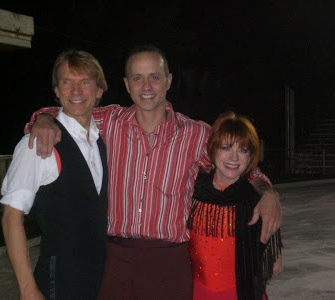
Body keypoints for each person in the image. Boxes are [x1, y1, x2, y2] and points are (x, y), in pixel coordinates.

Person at [25, 45, 281, 299]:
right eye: (138, 78)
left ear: (168, 81)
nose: (146, 87)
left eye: (154, 77)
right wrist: (44, 119)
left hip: (168, 261)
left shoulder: (194, 134)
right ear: (127, 84)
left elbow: (242, 165)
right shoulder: (108, 122)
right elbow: (69, 111)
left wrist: (268, 192)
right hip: (113, 258)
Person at [1, 49, 109, 299]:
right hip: (58, 282)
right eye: (67, 82)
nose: (76, 91)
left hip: (96, 279)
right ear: (57, 90)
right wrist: (28, 290)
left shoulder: (100, 141)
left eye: (85, 82)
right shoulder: (38, 144)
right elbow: (10, 218)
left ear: (99, 90)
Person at [188, 112, 283, 300]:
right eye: (226, 148)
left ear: (251, 157)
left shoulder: (257, 198)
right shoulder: (191, 191)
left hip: (241, 294)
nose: (234, 158)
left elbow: (274, 265)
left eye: (243, 150)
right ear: (212, 150)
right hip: (197, 293)